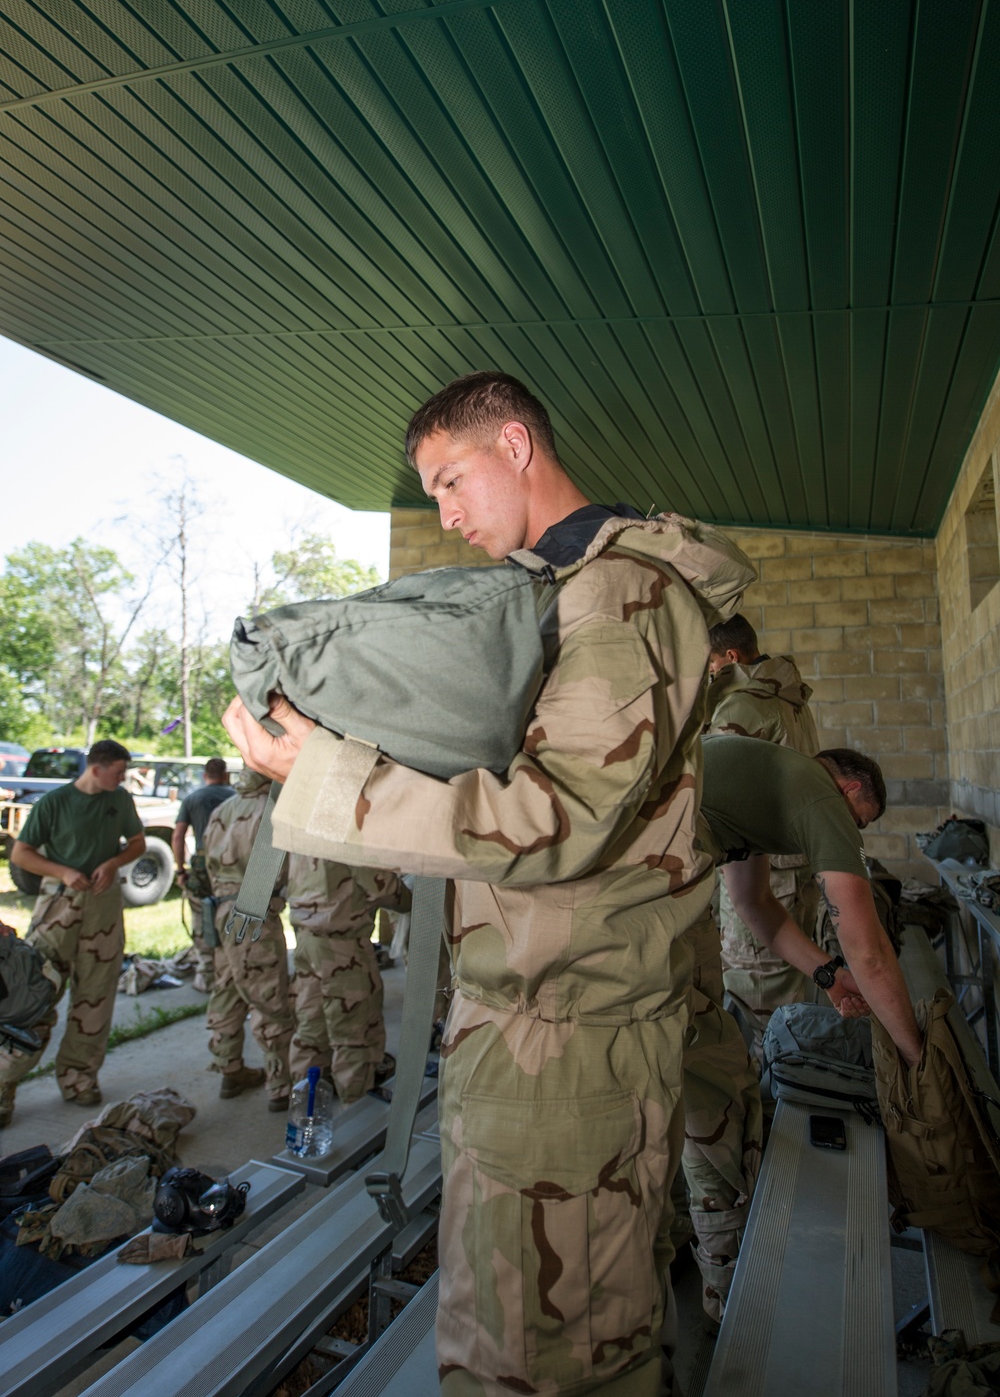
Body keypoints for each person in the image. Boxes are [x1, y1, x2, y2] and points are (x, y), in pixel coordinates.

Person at [224, 369, 755, 1396]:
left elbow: (557, 820)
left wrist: (330, 777)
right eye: (430, 498)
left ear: (515, 445)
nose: (449, 515)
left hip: (566, 1043)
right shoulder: (557, 595)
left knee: (541, 1364)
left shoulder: (615, 593)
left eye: (452, 481)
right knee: (534, 1338)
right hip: (537, 1027)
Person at [699, 736, 922, 1064]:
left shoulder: (776, 785)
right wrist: (916, 1057)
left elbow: (753, 902)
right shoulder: (821, 795)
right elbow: (868, 953)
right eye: (857, 822)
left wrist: (829, 974)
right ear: (850, 789)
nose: (850, 831)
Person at [0, 739, 146, 1125]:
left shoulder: (121, 800)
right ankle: (2, 1087)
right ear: (96, 769)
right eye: (117, 771)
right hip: (60, 905)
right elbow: (21, 854)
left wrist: (113, 863)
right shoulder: (54, 803)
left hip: (104, 908)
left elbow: (138, 843)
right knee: (32, 996)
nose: (122, 778)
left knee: (95, 998)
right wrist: (63, 871)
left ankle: (79, 1079)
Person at [703, 613, 822, 1055]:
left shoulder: (744, 704)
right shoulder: (790, 698)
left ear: (730, 658)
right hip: (791, 871)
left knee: (757, 1001)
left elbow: (711, 790)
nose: (707, 673)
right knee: (784, 996)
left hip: (761, 878)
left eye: (710, 664)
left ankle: (772, 1112)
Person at [203, 770, 293, 1110]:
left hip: (221, 909)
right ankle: (280, 1085)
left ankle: (230, 1069)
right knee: (268, 996)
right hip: (254, 911)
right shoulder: (274, 811)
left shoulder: (222, 809)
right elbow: (287, 867)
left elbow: (204, 860)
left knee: (227, 989)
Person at [287, 855, 405, 1104]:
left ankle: (304, 1111)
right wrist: (419, 898)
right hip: (343, 949)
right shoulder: (348, 827)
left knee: (311, 1031)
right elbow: (385, 888)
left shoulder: (303, 821)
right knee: (355, 1037)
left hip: (307, 941)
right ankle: (355, 1116)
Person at [171, 757, 236, 993]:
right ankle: (231, 967)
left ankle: (207, 970)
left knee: (201, 914)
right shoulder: (235, 798)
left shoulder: (192, 798)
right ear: (226, 775)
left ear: (204, 775)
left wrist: (180, 870)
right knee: (231, 912)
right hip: (231, 862)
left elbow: (178, 836)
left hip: (201, 861)